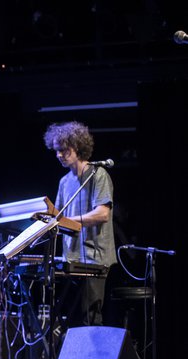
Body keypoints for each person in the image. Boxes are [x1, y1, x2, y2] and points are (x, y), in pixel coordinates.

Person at [44, 121, 117, 328]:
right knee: (73, 320)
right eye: (56, 150)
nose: (59, 155)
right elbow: (56, 216)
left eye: (64, 150)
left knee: (90, 318)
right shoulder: (65, 182)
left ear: (77, 147)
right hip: (72, 258)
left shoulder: (98, 174)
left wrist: (66, 220)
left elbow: (102, 214)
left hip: (95, 259)